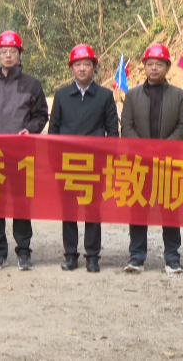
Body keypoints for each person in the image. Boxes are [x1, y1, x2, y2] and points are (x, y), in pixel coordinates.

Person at [0, 31, 49, 271]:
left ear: (20, 55)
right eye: (4, 52)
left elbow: (41, 115)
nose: (8, 56)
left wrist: (30, 129)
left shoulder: (32, 84)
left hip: (22, 154)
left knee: (21, 203)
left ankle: (24, 250)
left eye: (12, 51)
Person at [120, 43, 183, 275]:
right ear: (144, 67)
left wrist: (162, 149)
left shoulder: (180, 96)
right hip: (139, 164)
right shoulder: (131, 96)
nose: (154, 68)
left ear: (167, 67)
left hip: (168, 164)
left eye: (159, 64)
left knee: (170, 211)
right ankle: (136, 257)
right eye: (150, 64)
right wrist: (143, 149)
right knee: (138, 210)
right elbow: (126, 127)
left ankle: (172, 258)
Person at [48, 44, 118, 273]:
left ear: (94, 68)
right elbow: (54, 130)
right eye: (77, 64)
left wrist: (108, 161)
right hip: (67, 163)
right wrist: (54, 161)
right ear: (71, 69)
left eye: (86, 64)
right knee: (68, 210)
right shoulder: (61, 96)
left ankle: (92, 256)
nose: (81, 68)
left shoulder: (105, 96)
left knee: (92, 210)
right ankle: (70, 255)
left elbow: (112, 132)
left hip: (94, 164)